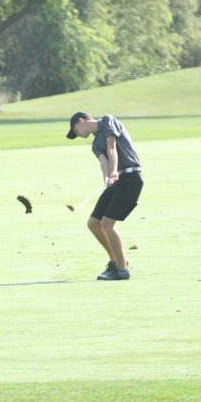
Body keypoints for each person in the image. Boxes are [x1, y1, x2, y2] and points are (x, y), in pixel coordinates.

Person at [66, 111, 143, 280]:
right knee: (94, 223)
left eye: (76, 131)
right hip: (117, 180)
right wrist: (107, 176)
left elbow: (112, 147)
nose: (77, 135)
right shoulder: (94, 145)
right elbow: (104, 162)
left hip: (130, 177)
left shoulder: (108, 121)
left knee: (107, 223)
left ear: (81, 121)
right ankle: (115, 261)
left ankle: (122, 271)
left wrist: (114, 171)